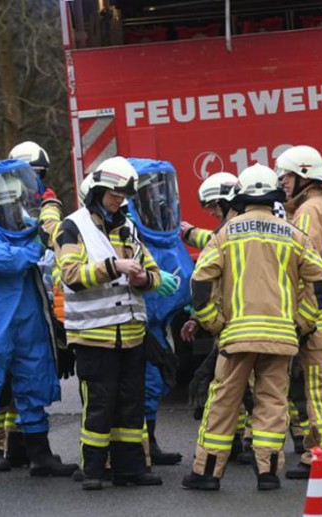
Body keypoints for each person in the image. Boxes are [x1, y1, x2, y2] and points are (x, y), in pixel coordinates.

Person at [181, 164, 322, 492]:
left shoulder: (226, 233)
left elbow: (201, 280)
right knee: (272, 403)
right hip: (281, 337)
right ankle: (268, 473)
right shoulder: (293, 233)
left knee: (223, 403)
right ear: (276, 194)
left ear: (242, 196)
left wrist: (212, 321)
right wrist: (302, 322)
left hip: (236, 337)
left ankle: (207, 473)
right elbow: (320, 280)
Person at [0, 159, 77, 482]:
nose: (13, 208)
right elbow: (3, 259)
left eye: (16, 203)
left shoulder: (20, 220)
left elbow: (42, 234)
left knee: (33, 376)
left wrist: (48, 224)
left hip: (28, 310)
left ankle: (39, 454)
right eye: (7, 203)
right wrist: (36, 245)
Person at [54, 155, 164, 490]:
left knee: (131, 405)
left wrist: (144, 278)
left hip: (130, 334)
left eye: (122, 197)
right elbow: (70, 276)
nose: (119, 201)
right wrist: (114, 267)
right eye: (114, 195)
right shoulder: (71, 227)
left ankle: (130, 469)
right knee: (100, 404)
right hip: (93, 336)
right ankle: (94, 470)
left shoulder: (128, 227)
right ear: (98, 191)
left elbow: (155, 274)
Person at [0, 141, 60, 472]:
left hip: (32, 305)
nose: (35, 184)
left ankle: (20, 445)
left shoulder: (35, 215)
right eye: (30, 176)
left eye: (38, 175)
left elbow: (53, 259)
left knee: (28, 378)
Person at [275, 145, 322, 480]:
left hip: (315, 316)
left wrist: (298, 316)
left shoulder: (307, 213)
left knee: (318, 390)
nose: (283, 183)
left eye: (287, 176)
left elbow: (305, 265)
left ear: (303, 176)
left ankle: (321, 455)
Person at [128, 157, 194, 465]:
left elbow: (184, 273)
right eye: (149, 194)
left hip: (155, 326)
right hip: (130, 325)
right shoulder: (128, 234)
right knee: (132, 387)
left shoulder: (164, 236)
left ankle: (148, 443)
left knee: (152, 383)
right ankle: (134, 450)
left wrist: (191, 299)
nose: (158, 200)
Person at [182, 172, 238, 249]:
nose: (211, 213)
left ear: (226, 202)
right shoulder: (242, 221)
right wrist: (189, 232)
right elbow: (214, 239)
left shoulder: (235, 227)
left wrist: (189, 232)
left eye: (213, 206)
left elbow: (214, 242)